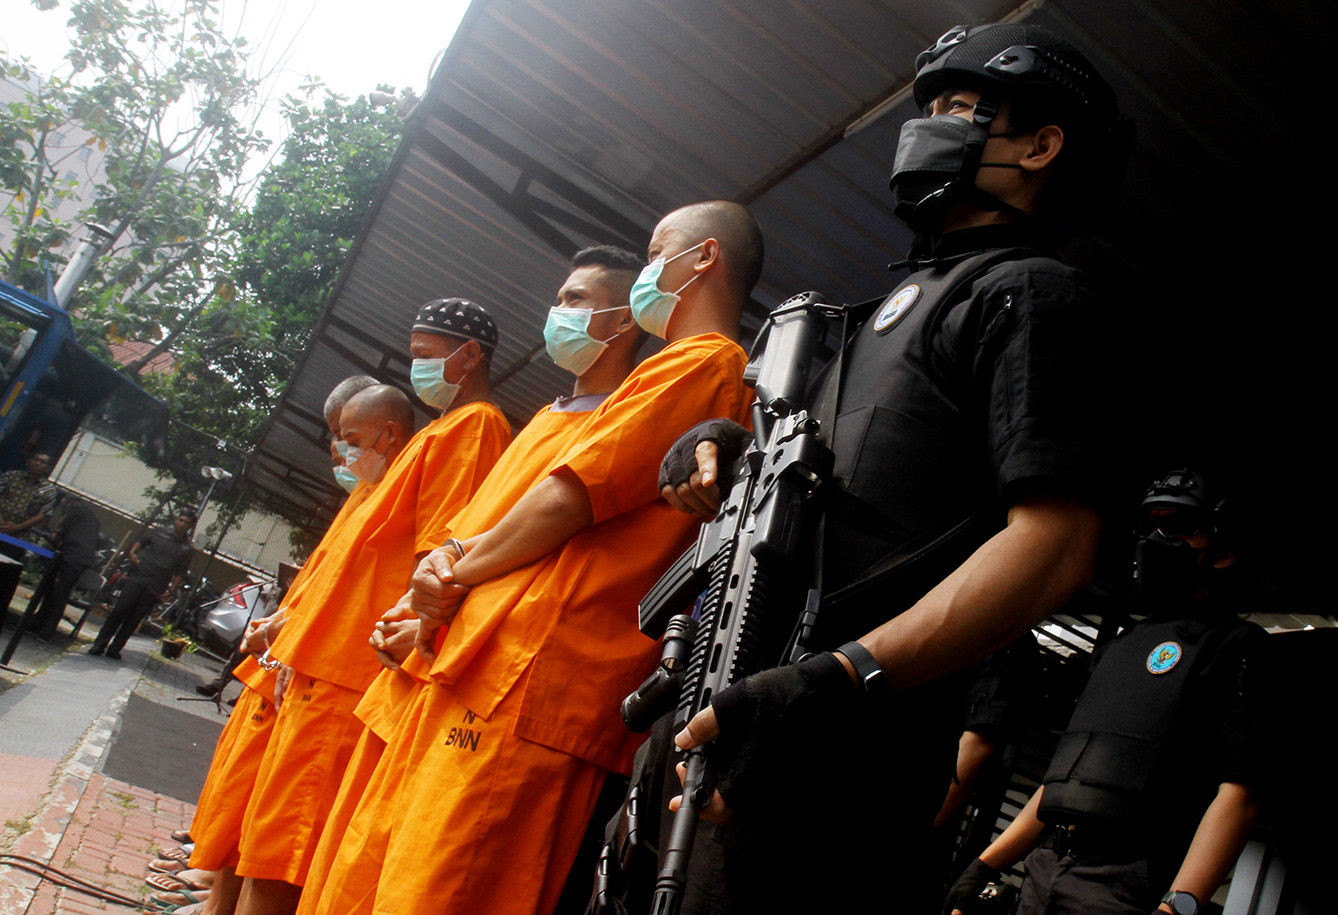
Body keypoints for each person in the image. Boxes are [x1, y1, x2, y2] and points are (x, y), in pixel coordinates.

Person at [655, 23, 1128, 912]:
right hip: (732, 749)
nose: (926, 128)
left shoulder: (1029, 294)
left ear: (1041, 145)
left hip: (839, 794)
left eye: (957, 107)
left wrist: (836, 678)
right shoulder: (857, 323)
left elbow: (1056, 543)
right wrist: (722, 443)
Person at [310, 200, 761, 915]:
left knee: (439, 890)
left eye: (654, 254)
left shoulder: (709, 362)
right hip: (494, 662)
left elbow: (572, 495)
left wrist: (454, 567)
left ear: (703, 257)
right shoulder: (671, 368)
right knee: (388, 877)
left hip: (539, 677)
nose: (646, 273)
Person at [297, 244, 650, 915]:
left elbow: (515, 536)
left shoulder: (596, 421)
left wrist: (436, 592)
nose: (557, 313)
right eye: (559, 298)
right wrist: (415, 606)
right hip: (430, 666)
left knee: (429, 884)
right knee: (360, 875)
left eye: (576, 301)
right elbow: (463, 531)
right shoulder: (544, 418)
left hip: (486, 674)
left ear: (623, 318)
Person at [231, 301, 511, 915]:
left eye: (424, 354)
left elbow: (440, 552)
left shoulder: (476, 426)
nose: (415, 367)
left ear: (470, 355)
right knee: (266, 845)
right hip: (322, 661)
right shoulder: (440, 430)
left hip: (351, 668)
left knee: (285, 855)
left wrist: (403, 635)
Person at [944, 470, 1263, 915]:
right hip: (1044, 866)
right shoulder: (1117, 647)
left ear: (1221, 551)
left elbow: (1240, 794)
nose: (1156, 539)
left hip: (1125, 881)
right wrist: (983, 865)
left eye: (1177, 526)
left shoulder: (1234, 644)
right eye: (1149, 524)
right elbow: (1060, 781)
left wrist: (1178, 907)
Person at [184, 376, 400, 915]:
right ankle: (213, 895)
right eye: (335, 436)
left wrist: (294, 630)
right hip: (300, 663)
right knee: (254, 811)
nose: (338, 450)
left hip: (337, 675)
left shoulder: (463, 438)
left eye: (349, 436)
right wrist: (286, 622)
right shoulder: (364, 493)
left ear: (390, 435)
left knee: (285, 834)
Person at [89, 510, 194, 660]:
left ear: (191, 526)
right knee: (119, 610)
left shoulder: (187, 549)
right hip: (139, 575)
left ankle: (115, 649)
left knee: (135, 618)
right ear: (176, 520)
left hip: (157, 584)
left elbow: (180, 572)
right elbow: (141, 541)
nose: (182, 524)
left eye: (186, 523)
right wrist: (132, 553)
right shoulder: (159, 532)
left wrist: (170, 591)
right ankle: (99, 644)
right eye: (181, 520)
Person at [31, 495, 102, 640]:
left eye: (63, 505)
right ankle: (39, 624)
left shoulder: (74, 508)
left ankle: (46, 631)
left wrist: (52, 537)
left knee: (58, 593)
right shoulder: (91, 515)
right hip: (81, 557)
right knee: (55, 590)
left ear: (67, 502)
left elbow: (60, 532)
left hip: (72, 555)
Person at [0, 452, 53, 613]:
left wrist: (17, 527)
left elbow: (43, 515)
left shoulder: (48, 490)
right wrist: (1, 522)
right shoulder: (11, 476)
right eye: (36, 459)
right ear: (29, 461)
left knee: (5, 577)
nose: (38, 463)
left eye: (42, 462)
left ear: (47, 468)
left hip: (19, 537)